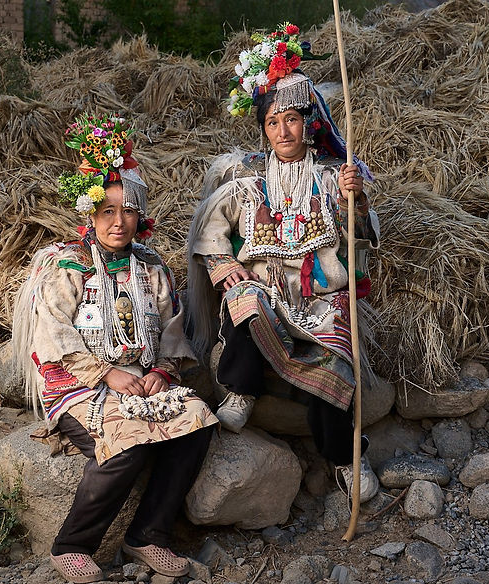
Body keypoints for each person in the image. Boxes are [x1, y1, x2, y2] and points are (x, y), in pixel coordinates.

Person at [12, 114, 217, 584]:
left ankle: (147, 535)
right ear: (91, 214)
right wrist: (107, 374)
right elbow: (53, 335)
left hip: (139, 383)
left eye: (127, 210)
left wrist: (160, 374)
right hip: (79, 388)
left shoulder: (151, 269)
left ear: (139, 215)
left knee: (197, 424)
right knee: (127, 447)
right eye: (107, 211)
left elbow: (171, 333)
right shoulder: (69, 266)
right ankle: (72, 546)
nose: (118, 221)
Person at [186, 23, 380, 501]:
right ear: (264, 129)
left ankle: (344, 459)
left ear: (308, 123)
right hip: (267, 290)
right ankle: (241, 390)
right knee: (244, 300)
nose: (282, 130)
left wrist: (355, 201)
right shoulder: (245, 178)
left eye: (291, 119)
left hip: (319, 299)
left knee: (336, 370)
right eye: (273, 123)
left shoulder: (336, 175)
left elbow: (362, 240)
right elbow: (210, 230)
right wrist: (222, 266)